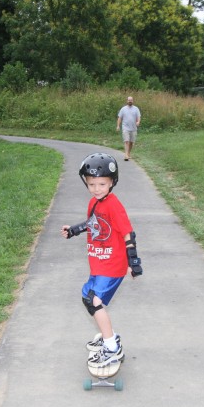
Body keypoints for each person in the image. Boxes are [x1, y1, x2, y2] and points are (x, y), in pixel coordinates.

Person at [61, 153, 143, 367]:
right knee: (87, 297)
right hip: (98, 262)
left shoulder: (114, 205)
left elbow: (128, 233)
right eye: (92, 184)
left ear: (112, 182)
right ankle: (110, 337)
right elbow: (93, 223)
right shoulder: (95, 202)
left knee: (95, 302)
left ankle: (111, 349)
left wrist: (133, 262)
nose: (97, 188)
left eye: (102, 184)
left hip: (112, 265)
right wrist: (74, 230)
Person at [116, 96, 141, 161]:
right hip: (125, 127)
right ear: (127, 101)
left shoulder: (136, 109)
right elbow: (119, 118)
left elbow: (138, 117)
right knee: (126, 141)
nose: (130, 101)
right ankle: (126, 155)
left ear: (133, 101)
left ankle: (128, 153)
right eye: (129, 100)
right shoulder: (123, 109)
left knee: (131, 142)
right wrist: (118, 126)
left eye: (131, 100)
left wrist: (138, 122)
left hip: (133, 128)